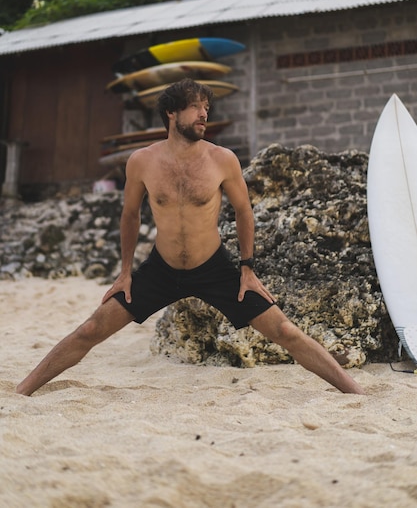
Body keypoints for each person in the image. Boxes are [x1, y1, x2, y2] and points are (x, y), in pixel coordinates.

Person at [16, 79, 364, 396]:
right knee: (91, 328)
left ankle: (356, 393)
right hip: (159, 271)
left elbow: (245, 211)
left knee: (286, 331)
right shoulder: (141, 161)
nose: (203, 115)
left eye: (206, 109)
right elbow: (130, 215)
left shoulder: (222, 159)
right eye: (195, 107)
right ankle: (21, 391)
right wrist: (125, 272)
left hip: (215, 269)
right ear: (171, 112)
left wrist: (247, 268)